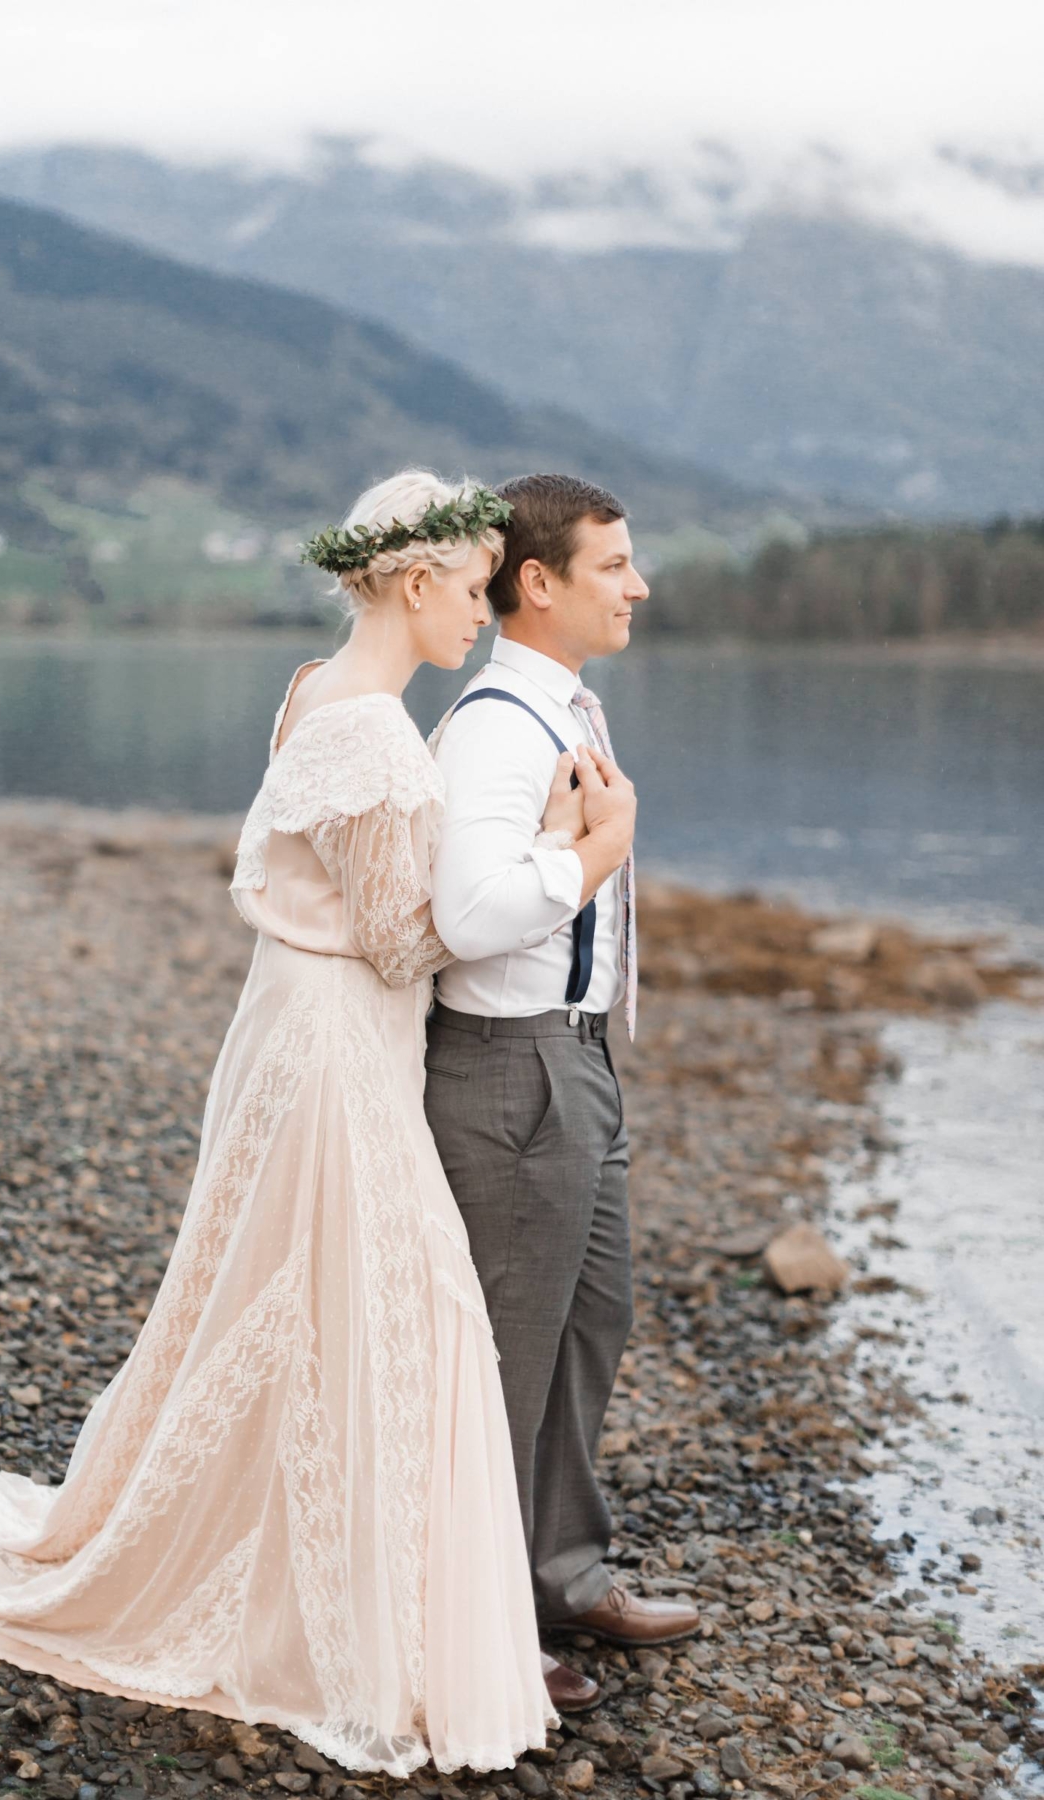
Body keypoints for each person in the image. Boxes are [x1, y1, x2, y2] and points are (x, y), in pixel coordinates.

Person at [0, 471, 580, 1780]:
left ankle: (290, 1555)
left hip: (291, 1030)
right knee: (374, 1303)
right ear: (407, 580)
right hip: (336, 1046)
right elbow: (399, 940)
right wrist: (565, 859)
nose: (481, 609)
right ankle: (330, 1613)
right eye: (466, 584)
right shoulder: (380, 735)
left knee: (283, 1294)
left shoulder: (310, 691)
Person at [425, 473, 701, 1706]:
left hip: (576, 1058)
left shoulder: (561, 707)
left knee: (591, 1328)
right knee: (506, 1358)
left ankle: (563, 1575)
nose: (637, 585)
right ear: (539, 583)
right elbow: (472, 917)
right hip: (511, 1071)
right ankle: (475, 1626)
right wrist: (593, 854)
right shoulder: (494, 725)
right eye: (614, 565)